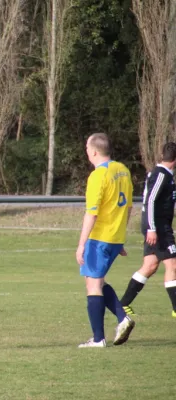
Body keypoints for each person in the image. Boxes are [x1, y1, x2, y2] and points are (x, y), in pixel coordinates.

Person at [76, 133, 135, 348]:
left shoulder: (98, 176)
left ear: (93, 151)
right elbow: (129, 207)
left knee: (93, 284)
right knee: (98, 281)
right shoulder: (123, 170)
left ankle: (99, 338)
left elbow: (91, 213)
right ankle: (121, 319)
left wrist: (82, 244)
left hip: (99, 238)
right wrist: (119, 237)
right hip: (114, 238)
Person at [120, 142, 176, 318]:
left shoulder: (165, 174)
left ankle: (122, 304)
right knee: (173, 265)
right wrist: (152, 228)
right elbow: (150, 201)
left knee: (150, 265)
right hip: (158, 227)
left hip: (158, 225)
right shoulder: (161, 175)